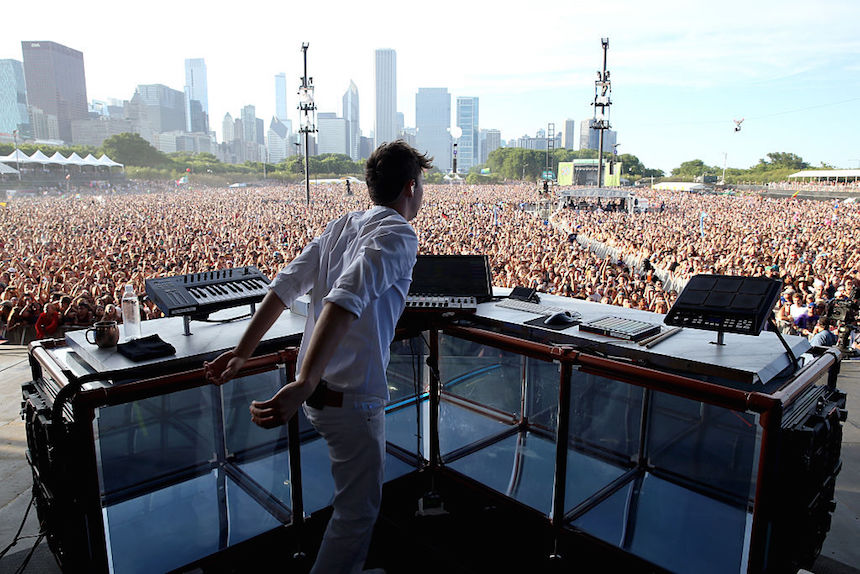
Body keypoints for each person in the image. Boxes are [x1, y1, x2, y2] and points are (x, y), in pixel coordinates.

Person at [205, 140, 431, 574]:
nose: (422, 194)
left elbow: (284, 287)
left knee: (352, 504)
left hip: (319, 401)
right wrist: (306, 380)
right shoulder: (400, 232)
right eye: (422, 186)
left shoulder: (342, 225)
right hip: (349, 399)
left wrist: (241, 354)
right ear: (409, 187)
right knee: (357, 512)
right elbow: (343, 302)